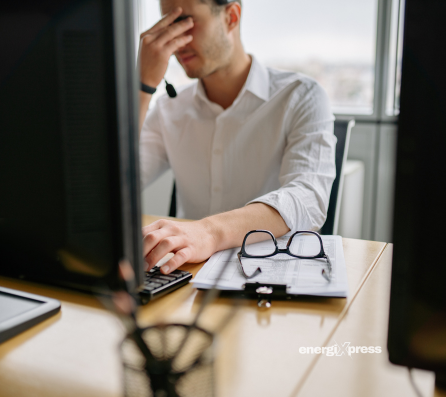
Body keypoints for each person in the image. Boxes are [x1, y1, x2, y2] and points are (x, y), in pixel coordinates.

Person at [138, 0, 336, 274]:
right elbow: (110, 186)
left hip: (269, 276)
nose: (175, 42)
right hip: (186, 276)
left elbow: (308, 198)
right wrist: (142, 86)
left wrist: (207, 232)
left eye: (184, 22)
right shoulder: (168, 109)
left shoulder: (301, 96)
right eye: (166, 25)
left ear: (231, 16)